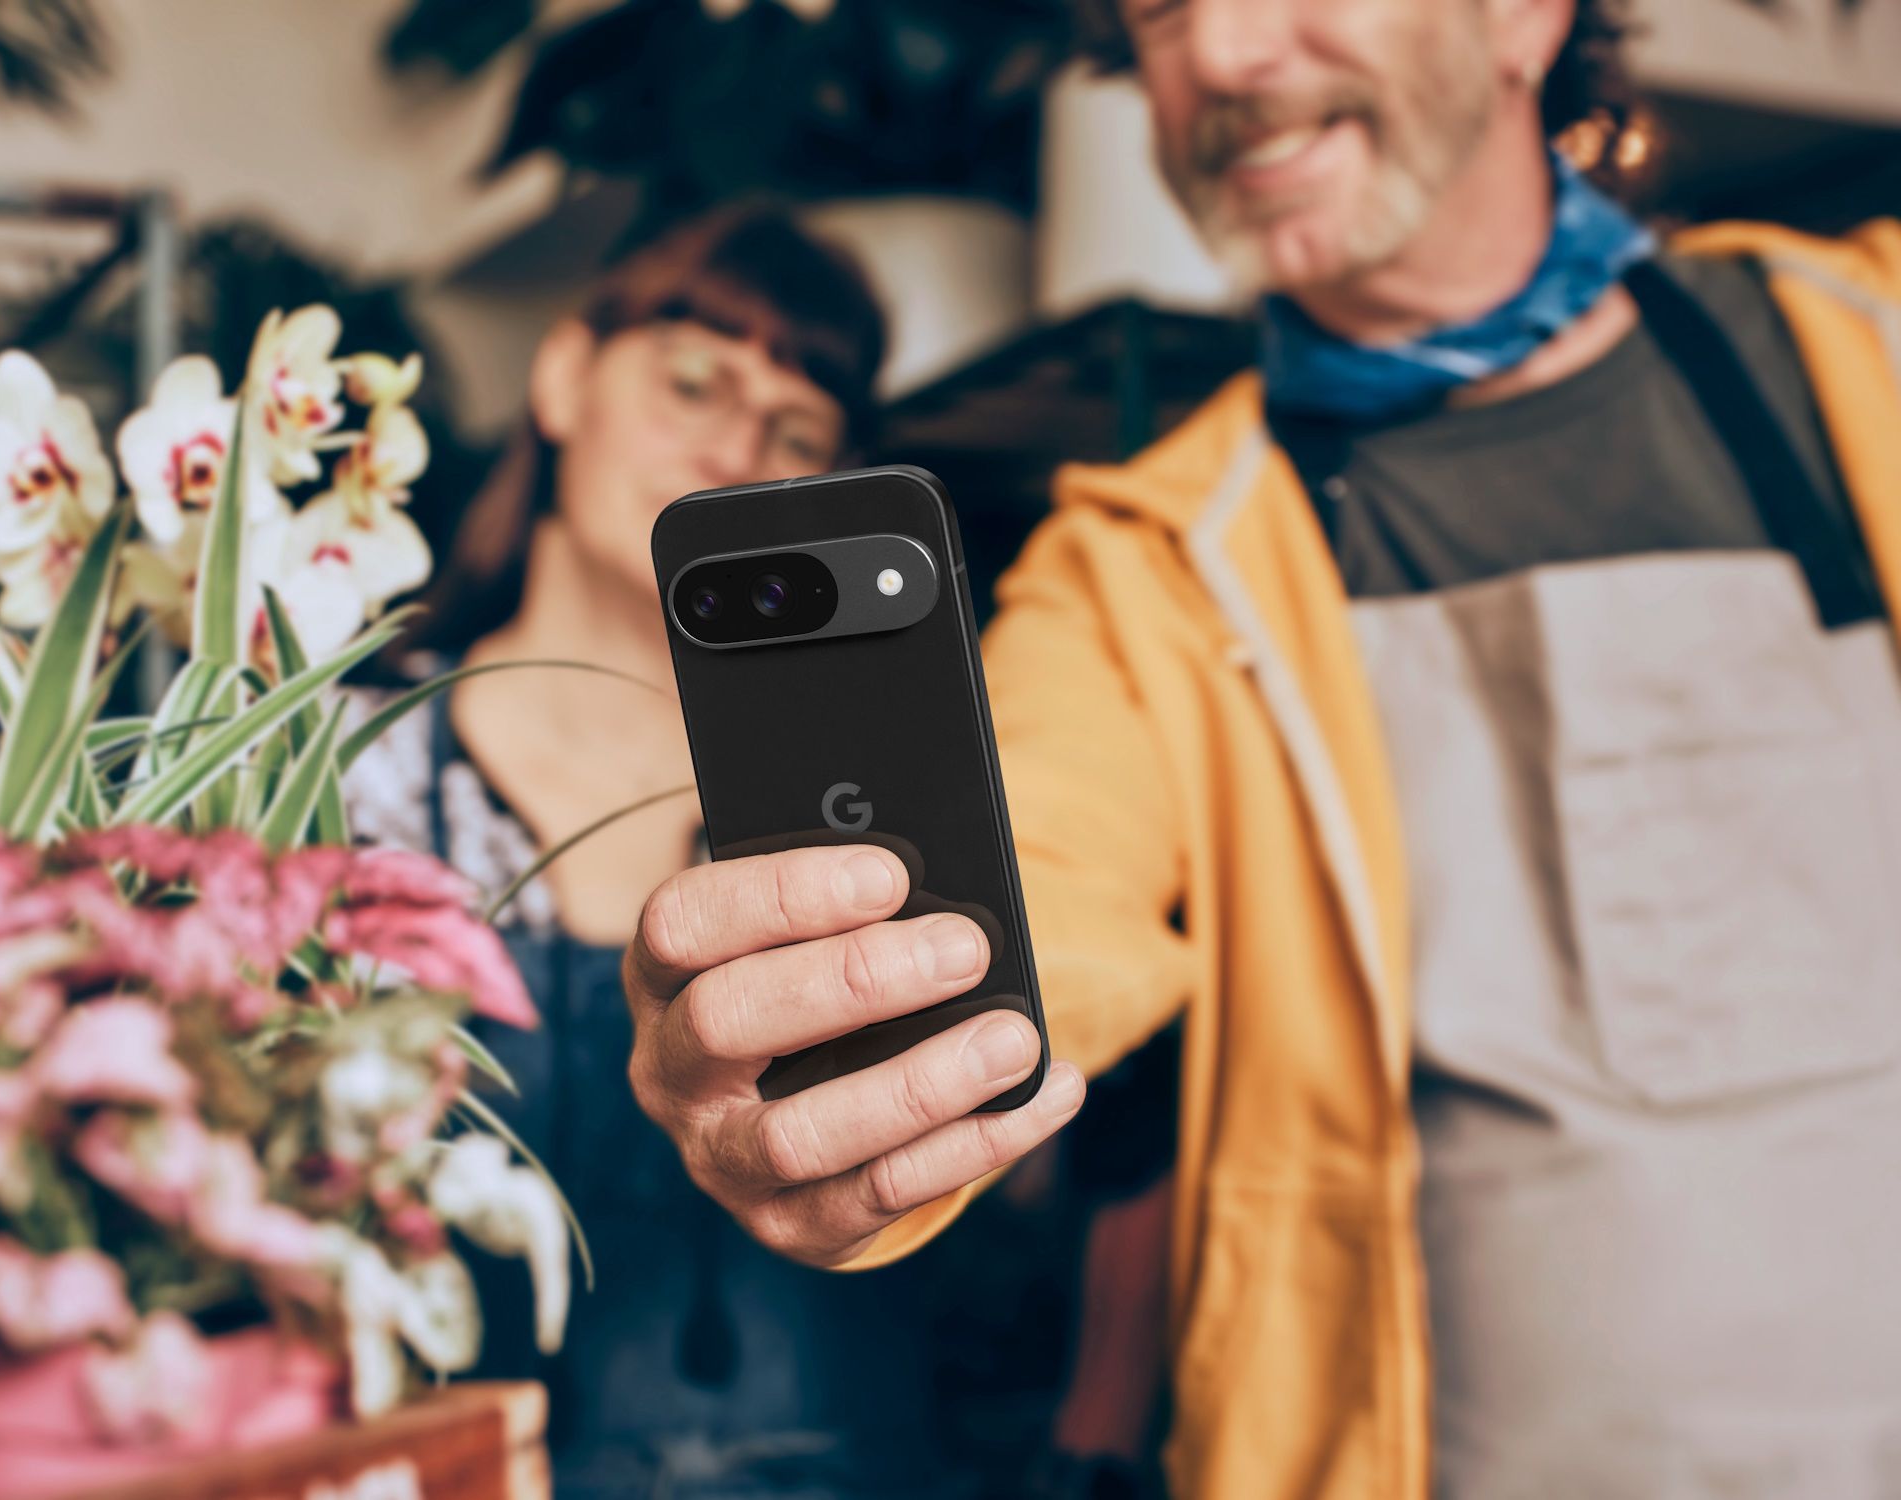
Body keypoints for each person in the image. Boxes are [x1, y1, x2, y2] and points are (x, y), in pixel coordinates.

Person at [616, 2, 1901, 1497]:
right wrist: (839, 1070)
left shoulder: (1866, 348)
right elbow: (1033, 876)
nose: (1219, 55)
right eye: (1159, 11)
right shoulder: (1145, 562)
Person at [344, 206, 971, 1497]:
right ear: (565, 377)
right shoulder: (351, 769)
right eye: (695, 380)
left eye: (794, 432)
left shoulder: (860, 801)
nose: (735, 444)